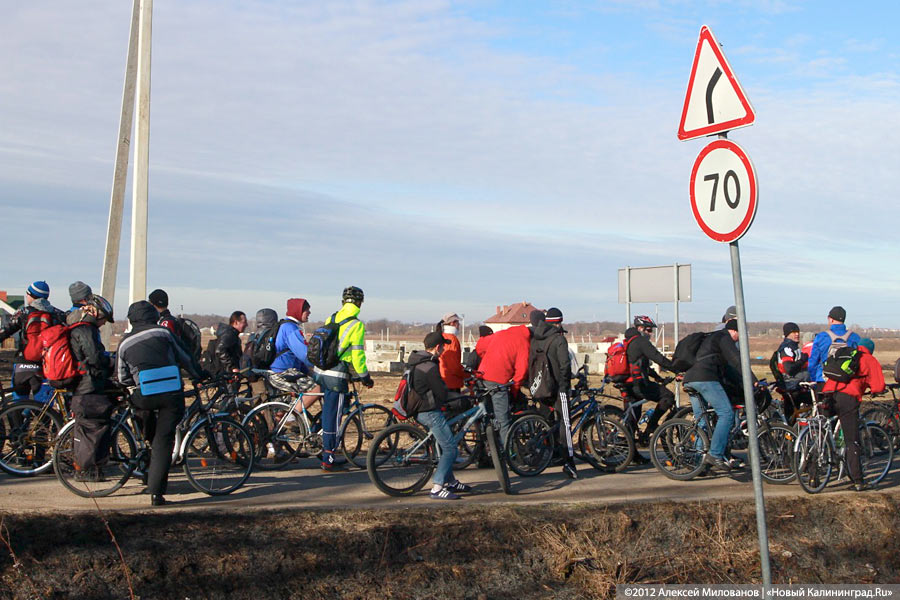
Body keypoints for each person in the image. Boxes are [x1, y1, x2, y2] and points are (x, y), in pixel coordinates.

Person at [117, 300, 201, 506]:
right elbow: (185, 358)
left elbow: (122, 377)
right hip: (171, 393)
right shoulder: (164, 334)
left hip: (144, 395)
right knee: (164, 440)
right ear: (152, 315)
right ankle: (157, 493)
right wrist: (199, 374)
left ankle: (145, 451)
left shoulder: (124, 343)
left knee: (146, 424)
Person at [313, 286, 374, 470]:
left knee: (328, 412)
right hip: (336, 376)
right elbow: (357, 355)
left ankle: (317, 439)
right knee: (334, 417)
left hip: (320, 371)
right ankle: (328, 458)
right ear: (359, 303)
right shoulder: (356, 324)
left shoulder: (331, 318)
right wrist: (365, 377)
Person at [683, 319, 755, 472]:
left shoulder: (713, 339)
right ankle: (715, 454)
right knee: (726, 413)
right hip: (704, 378)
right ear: (735, 331)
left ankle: (698, 464)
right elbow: (737, 362)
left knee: (702, 420)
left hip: (691, 379)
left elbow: (729, 370)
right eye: (741, 334)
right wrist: (752, 381)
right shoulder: (724, 338)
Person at [409, 331, 472, 500]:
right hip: (429, 411)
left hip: (421, 409)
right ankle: (437, 487)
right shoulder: (430, 367)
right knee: (450, 448)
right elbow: (442, 394)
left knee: (445, 444)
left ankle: (449, 480)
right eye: (443, 346)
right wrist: (462, 396)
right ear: (438, 347)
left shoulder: (419, 362)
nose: (444, 349)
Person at [822, 337, 885, 491]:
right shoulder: (869, 359)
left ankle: (813, 476)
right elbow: (878, 386)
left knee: (822, 433)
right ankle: (858, 481)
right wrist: (877, 391)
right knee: (852, 440)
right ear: (870, 349)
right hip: (847, 398)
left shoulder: (845, 354)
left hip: (827, 393)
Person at [67, 294, 115, 481]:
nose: (104, 324)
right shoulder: (85, 329)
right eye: (104, 319)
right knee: (94, 426)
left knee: (88, 426)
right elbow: (94, 358)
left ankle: (89, 468)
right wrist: (111, 361)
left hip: (84, 383)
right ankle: (87, 471)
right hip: (88, 385)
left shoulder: (80, 326)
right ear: (95, 313)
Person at [529, 307, 577, 479]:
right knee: (566, 423)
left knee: (546, 421)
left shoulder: (536, 338)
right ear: (560, 321)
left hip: (542, 387)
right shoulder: (559, 339)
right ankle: (569, 462)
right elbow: (565, 366)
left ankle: (546, 454)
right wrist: (565, 385)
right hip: (558, 389)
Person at [0, 281, 64, 397]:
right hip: (46, 365)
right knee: (44, 406)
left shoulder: (23, 312)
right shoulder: (56, 314)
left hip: (22, 363)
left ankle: (20, 413)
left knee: (17, 403)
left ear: (31, 295)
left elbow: (5, 332)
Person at [623, 316, 677, 450]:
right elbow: (658, 357)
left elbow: (643, 366)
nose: (650, 333)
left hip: (628, 384)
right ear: (640, 329)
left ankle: (632, 454)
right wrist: (677, 368)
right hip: (638, 385)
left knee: (632, 420)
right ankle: (651, 427)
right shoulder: (641, 341)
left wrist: (658, 378)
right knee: (668, 397)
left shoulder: (629, 341)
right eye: (648, 330)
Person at [478, 319, 531, 447]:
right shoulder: (524, 342)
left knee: (486, 416)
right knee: (503, 420)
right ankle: (508, 453)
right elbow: (521, 371)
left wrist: (485, 357)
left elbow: (480, 346)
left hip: (481, 375)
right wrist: (515, 390)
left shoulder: (501, 333)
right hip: (497, 380)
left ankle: (485, 451)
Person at [269, 298, 319, 410]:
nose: (309, 313)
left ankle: (286, 420)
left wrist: (309, 371)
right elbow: (304, 355)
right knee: (317, 388)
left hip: (280, 370)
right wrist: (321, 364)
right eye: (307, 310)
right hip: (284, 372)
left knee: (280, 412)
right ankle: (293, 415)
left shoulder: (287, 326)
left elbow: (297, 358)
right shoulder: (291, 329)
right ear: (298, 311)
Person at [808, 306, 860, 385]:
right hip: (847, 382)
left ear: (830, 319)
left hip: (824, 380)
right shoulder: (855, 338)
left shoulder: (821, 337)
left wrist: (813, 379)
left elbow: (813, 362)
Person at [437, 312, 465, 391]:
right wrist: (466, 375)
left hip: (440, 379)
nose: (459, 325)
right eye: (458, 323)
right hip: (450, 382)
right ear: (453, 323)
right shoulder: (452, 339)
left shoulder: (441, 336)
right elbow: (453, 365)